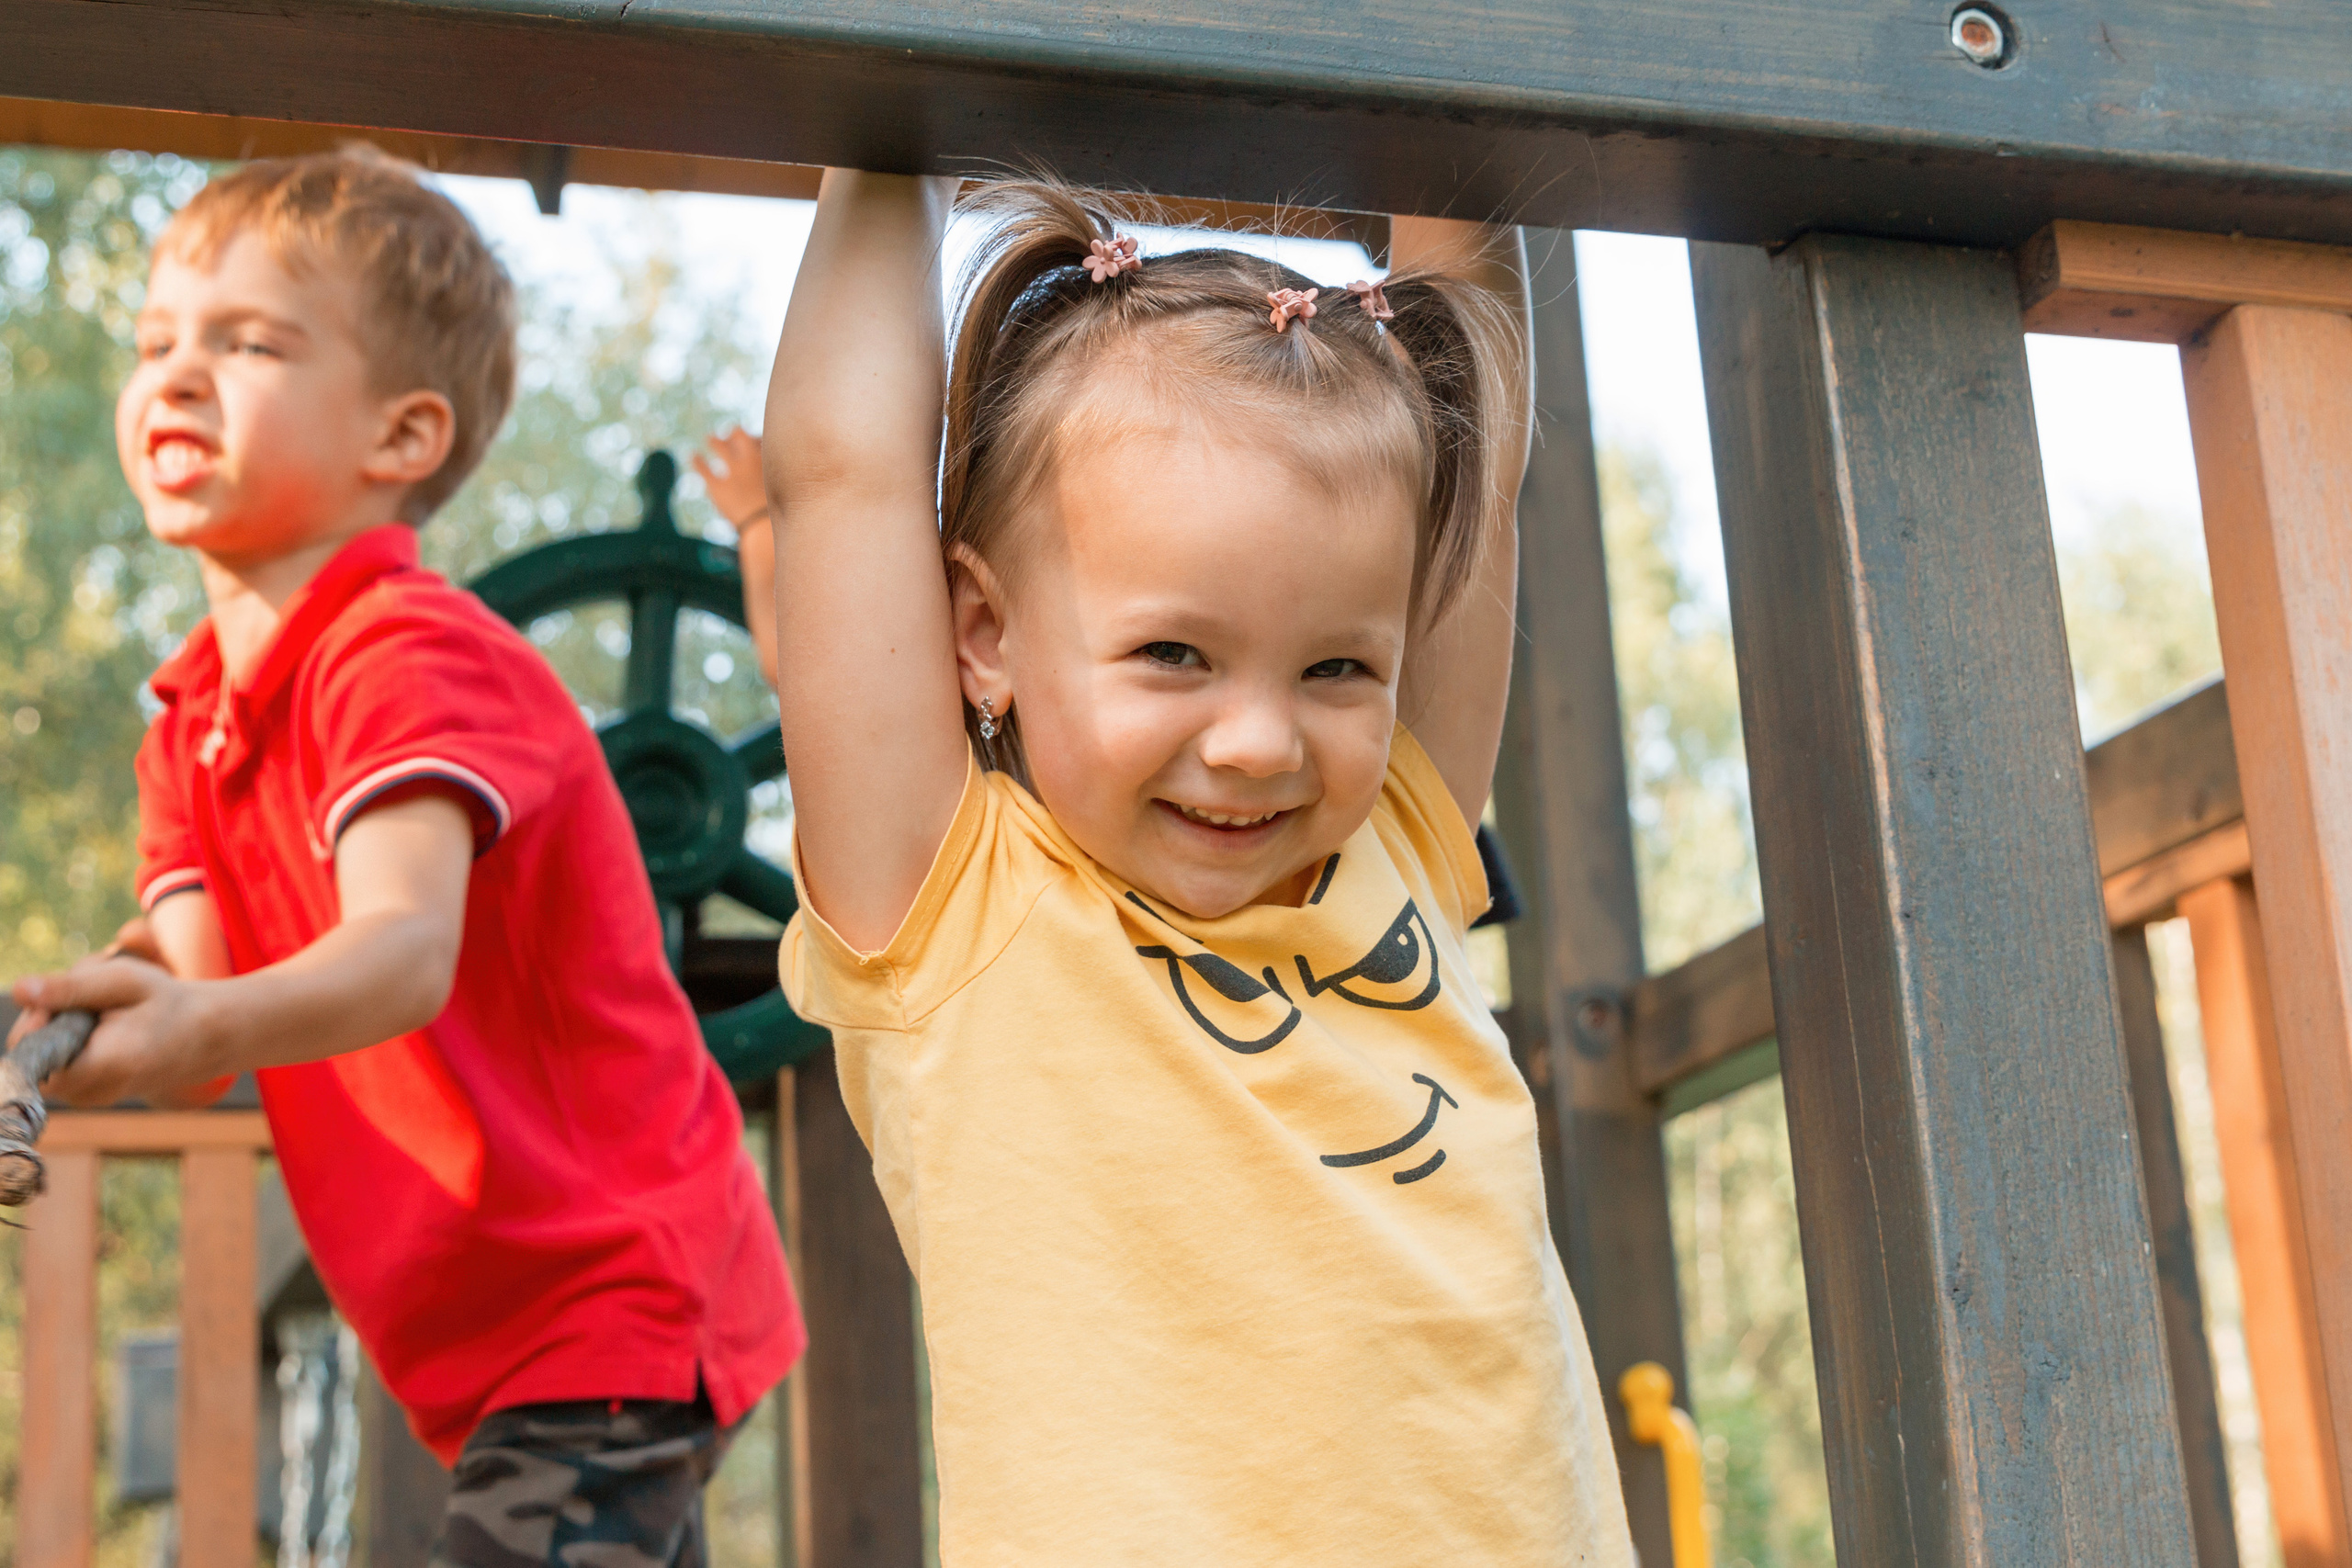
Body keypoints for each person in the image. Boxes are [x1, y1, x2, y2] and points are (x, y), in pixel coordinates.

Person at [756, 172, 1635, 1564]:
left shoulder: (1395, 842)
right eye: (1175, 653)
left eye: (1339, 666)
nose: (1257, 741)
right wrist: (886, 135)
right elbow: (845, 480)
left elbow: (1491, 468)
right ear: (982, 632)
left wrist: (1459, 118)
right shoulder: (959, 914)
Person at [6, 151, 802, 1568]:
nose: (177, 378)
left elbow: (400, 952)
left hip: (610, 1282)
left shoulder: (403, 653)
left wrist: (195, 1012)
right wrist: (82, 1026)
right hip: (483, 1327)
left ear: (403, 435)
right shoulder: (187, 722)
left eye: (248, 344)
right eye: (156, 344)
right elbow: (204, 1014)